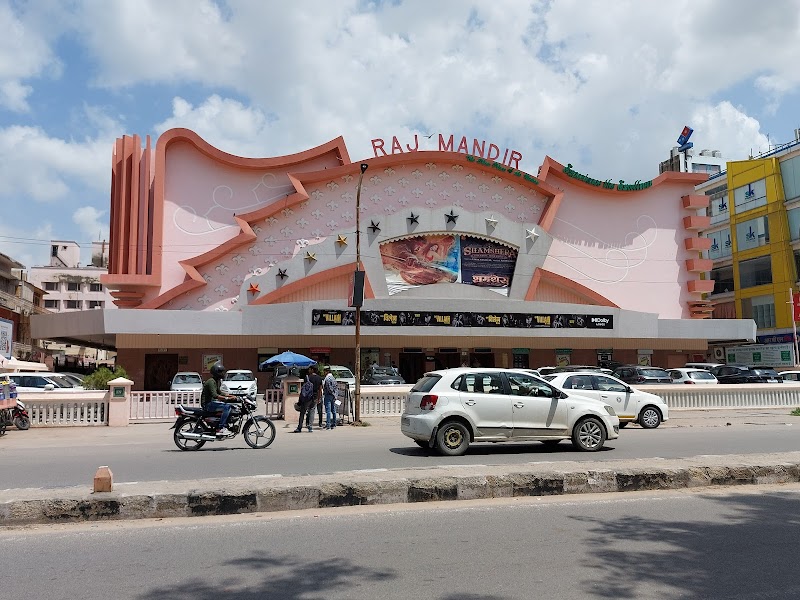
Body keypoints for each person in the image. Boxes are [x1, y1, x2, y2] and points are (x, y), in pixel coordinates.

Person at [201, 362, 236, 436]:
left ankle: (224, 424)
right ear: (217, 373)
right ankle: (220, 428)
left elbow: (220, 392)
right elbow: (215, 395)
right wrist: (226, 398)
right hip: (207, 404)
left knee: (232, 406)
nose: (223, 374)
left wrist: (232, 396)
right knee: (227, 407)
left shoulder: (216, 381)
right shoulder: (211, 382)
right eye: (221, 372)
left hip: (211, 402)